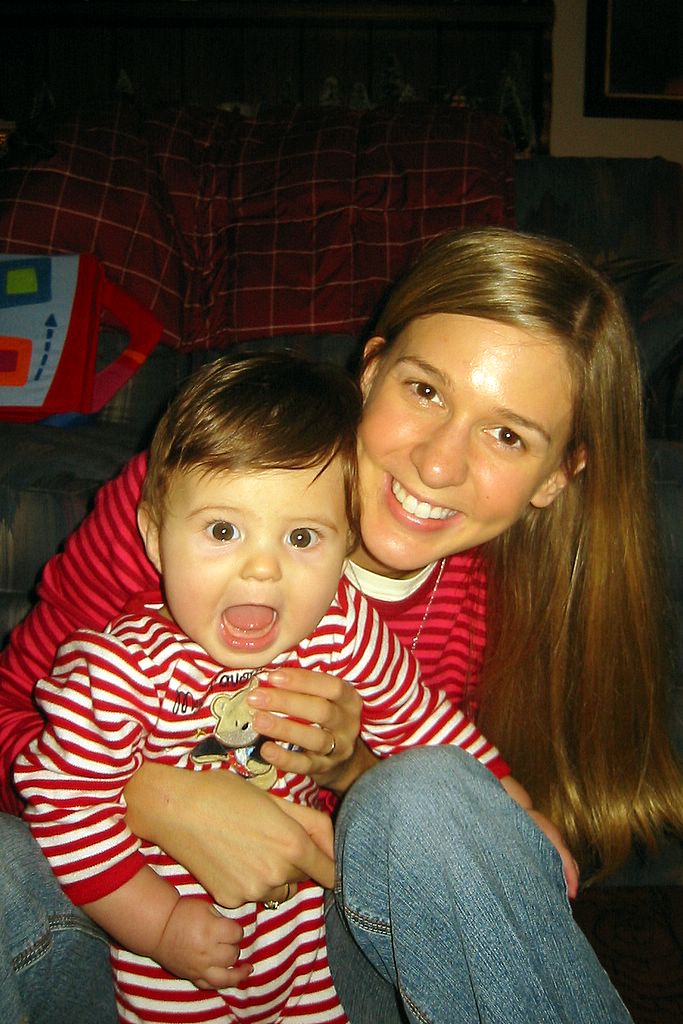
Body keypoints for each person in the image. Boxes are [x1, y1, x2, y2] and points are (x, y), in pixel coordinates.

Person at [1, 226, 680, 1022]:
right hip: (121, 915)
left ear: (557, 475)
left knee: (430, 791)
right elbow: (15, 716)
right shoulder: (191, 499)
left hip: (321, 949)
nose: (437, 463)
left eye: (506, 435)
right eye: (424, 391)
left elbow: (428, 777)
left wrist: (353, 770)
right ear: (372, 370)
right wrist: (151, 798)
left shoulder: (499, 602)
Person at [14, 353, 518, 1023]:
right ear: (155, 538)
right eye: (223, 531)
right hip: (174, 967)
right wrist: (161, 925)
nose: (261, 568)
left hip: (303, 950)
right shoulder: (116, 672)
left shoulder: (340, 629)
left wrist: (505, 798)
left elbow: (419, 719)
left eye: (302, 537)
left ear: (345, 548)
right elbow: (64, 805)